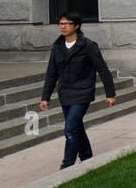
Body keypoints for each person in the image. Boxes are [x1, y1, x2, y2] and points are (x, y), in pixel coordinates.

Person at [39, 12, 116, 170]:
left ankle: (67, 166)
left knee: (70, 129)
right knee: (76, 127)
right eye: (61, 23)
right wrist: (45, 97)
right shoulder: (57, 47)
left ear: (76, 26)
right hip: (65, 94)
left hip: (82, 93)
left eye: (67, 24)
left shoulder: (88, 46)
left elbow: (102, 69)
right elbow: (51, 73)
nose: (63, 26)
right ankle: (87, 157)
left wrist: (110, 94)